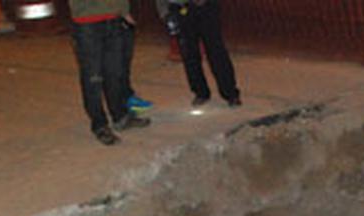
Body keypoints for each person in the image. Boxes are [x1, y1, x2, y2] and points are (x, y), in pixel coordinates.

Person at [68, 0, 150, 145]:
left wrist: (124, 10)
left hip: (113, 19)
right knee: (93, 78)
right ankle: (99, 125)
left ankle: (120, 116)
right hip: (87, 22)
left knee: (115, 73)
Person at [155, 0, 241, 107]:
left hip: (206, 6)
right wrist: (164, 13)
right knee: (189, 54)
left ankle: (230, 93)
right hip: (180, 8)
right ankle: (200, 92)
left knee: (216, 52)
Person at [120, 2, 153, 115]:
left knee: (125, 63)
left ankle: (127, 96)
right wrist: (123, 12)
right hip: (115, 19)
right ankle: (123, 103)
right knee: (118, 65)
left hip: (125, 19)